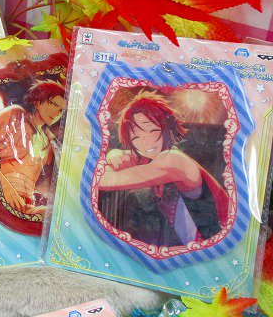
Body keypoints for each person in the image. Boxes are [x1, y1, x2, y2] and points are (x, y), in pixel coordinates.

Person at [98, 91, 229, 247]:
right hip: (198, 245)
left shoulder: (172, 160)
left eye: (152, 130)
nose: (145, 142)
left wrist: (111, 161)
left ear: (167, 128)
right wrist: (113, 154)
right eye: (135, 137)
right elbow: (120, 157)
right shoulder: (150, 157)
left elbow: (104, 180)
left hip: (220, 243)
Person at [0, 80, 65, 217]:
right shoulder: (15, 114)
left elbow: (45, 182)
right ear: (37, 101)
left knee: (58, 214)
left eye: (61, 111)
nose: (56, 113)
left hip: (26, 205)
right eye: (53, 104)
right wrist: (4, 187)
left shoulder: (48, 141)